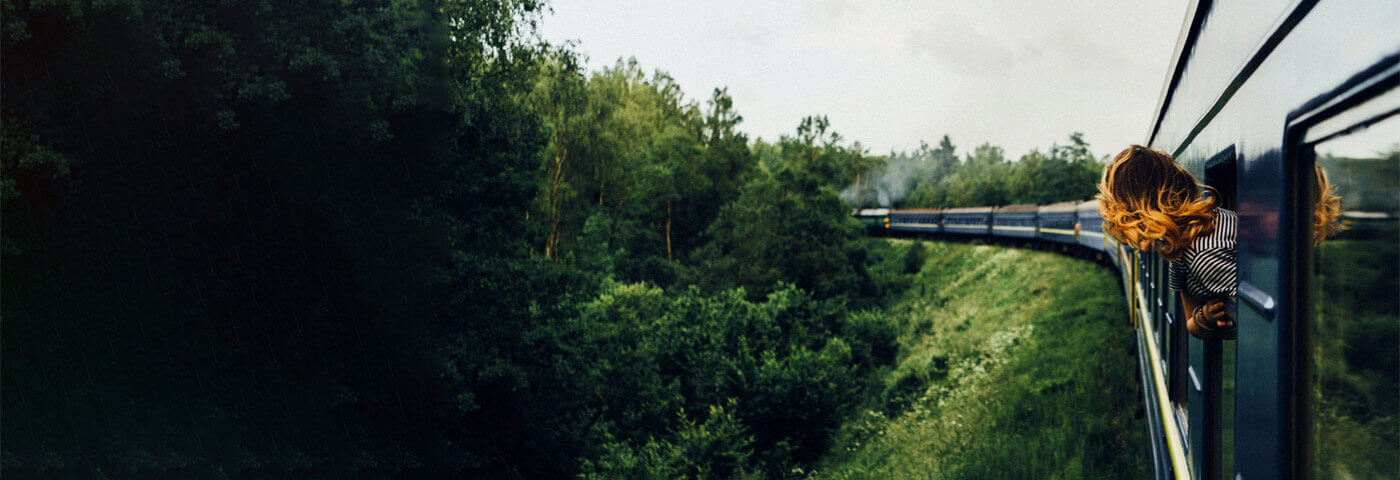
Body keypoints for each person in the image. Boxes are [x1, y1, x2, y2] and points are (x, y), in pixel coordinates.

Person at [1097, 145, 1235, 339]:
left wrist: (1213, 316)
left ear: (1139, 211)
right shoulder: (1184, 249)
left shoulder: (1203, 255)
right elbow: (1191, 322)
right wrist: (1204, 315)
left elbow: (1255, 322)